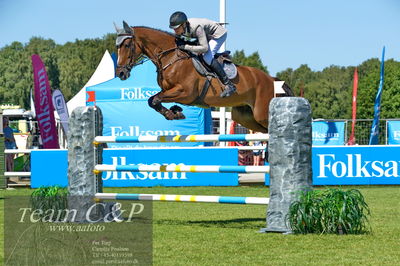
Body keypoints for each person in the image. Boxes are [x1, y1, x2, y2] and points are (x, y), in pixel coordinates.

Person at [169, 11, 237, 98]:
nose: (175, 31)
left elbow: (204, 48)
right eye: (174, 29)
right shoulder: (184, 27)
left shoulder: (196, 28)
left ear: (184, 24)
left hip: (218, 35)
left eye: (177, 28)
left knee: (207, 57)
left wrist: (186, 47)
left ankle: (229, 84)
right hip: (206, 35)